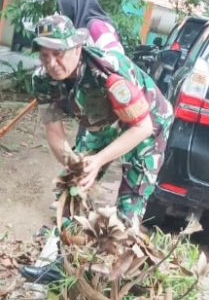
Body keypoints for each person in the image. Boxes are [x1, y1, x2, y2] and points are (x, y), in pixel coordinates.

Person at [20, 15, 174, 283]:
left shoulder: (109, 74)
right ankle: (61, 265)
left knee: (129, 205)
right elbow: (54, 132)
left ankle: (112, 278)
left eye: (58, 54)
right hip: (102, 122)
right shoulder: (42, 80)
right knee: (71, 188)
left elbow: (142, 128)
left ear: (77, 48)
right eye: (45, 56)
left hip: (147, 124)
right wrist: (75, 164)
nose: (52, 64)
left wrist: (100, 160)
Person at [56, 0, 124, 54]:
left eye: (63, 11)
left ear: (73, 9)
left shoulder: (96, 26)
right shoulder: (81, 29)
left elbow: (116, 56)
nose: (61, 15)